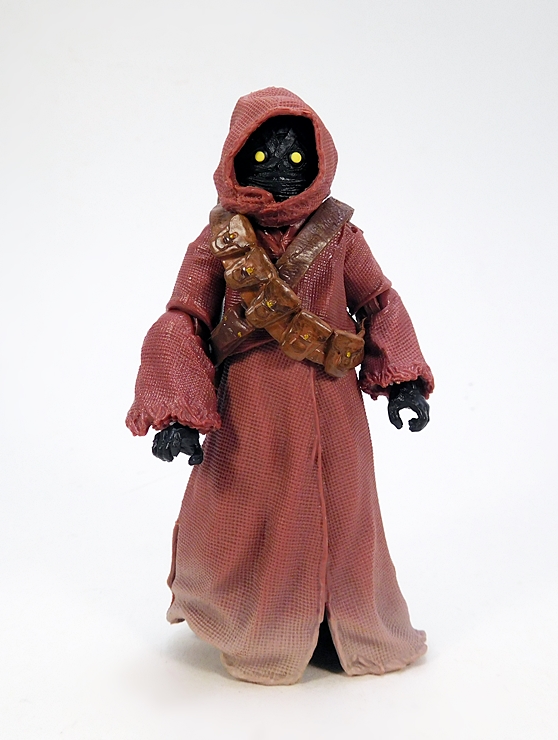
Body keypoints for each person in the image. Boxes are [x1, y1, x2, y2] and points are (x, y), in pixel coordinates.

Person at [127, 87, 434, 685]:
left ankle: (340, 622)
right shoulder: (218, 241)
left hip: (332, 402)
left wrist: (402, 380)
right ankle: (261, 623)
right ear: (236, 160)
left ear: (318, 161)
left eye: (296, 158)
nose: (279, 169)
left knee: (343, 512)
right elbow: (184, 320)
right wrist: (179, 412)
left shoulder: (340, 237)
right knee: (250, 513)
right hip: (252, 406)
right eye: (262, 156)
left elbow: (379, 302)